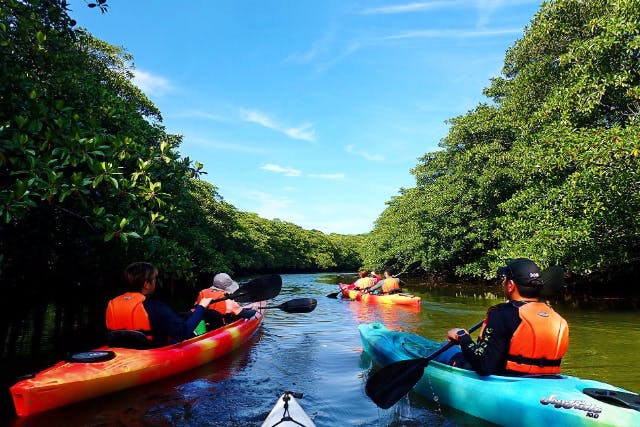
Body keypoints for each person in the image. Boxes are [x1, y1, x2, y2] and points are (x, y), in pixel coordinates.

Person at [444, 258, 569, 376]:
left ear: (510, 285)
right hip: (548, 380)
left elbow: (484, 365)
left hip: (507, 380)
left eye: (505, 279)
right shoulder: (556, 317)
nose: (503, 282)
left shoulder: (501, 314)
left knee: (447, 354)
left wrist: (462, 336)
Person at [106, 262, 214, 348]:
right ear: (146, 284)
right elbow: (183, 332)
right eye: (154, 279)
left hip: (121, 351)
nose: (155, 282)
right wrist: (201, 307)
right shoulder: (156, 307)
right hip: (150, 353)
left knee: (183, 316)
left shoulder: (112, 303)